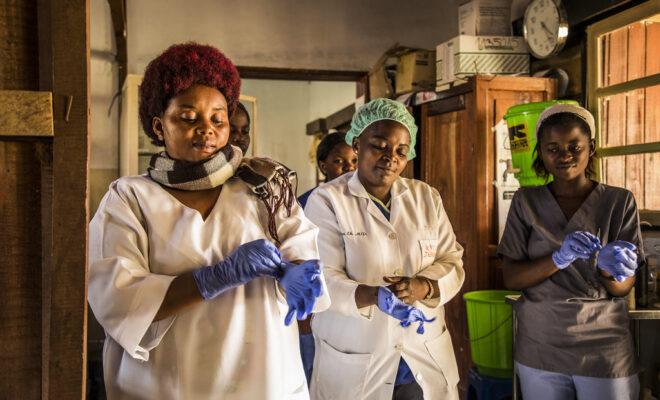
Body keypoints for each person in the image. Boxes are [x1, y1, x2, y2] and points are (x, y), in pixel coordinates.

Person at [88, 43, 329, 400]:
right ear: (158, 125)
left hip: (265, 380)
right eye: (188, 118)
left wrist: (299, 274)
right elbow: (116, 298)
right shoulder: (129, 198)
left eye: (218, 119)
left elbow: (304, 259)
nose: (207, 130)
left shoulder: (265, 188)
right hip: (165, 384)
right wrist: (216, 276)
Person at [304, 98, 465, 400]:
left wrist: (424, 286)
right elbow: (321, 276)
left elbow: (451, 259)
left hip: (421, 355)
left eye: (401, 151)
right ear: (356, 143)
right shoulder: (327, 201)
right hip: (356, 356)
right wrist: (374, 296)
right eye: (379, 145)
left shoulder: (426, 197)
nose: (390, 157)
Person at [498, 104, 641, 400]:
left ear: (591, 147)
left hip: (604, 343)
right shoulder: (526, 201)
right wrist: (557, 258)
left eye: (574, 146)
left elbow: (622, 288)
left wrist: (609, 269)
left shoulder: (619, 202)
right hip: (541, 341)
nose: (564, 156)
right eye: (553, 148)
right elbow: (511, 277)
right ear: (541, 152)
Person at [297, 131, 357, 385]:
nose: (348, 168)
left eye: (354, 161)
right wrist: (304, 319)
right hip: (314, 302)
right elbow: (297, 257)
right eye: (339, 161)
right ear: (323, 165)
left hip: (351, 301)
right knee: (313, 373)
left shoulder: (362, 202)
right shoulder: (305, 202)